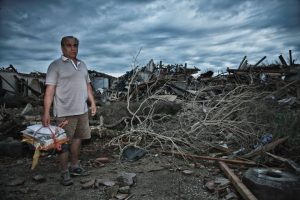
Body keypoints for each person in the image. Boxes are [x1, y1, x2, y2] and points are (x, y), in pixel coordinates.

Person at [42, 36, 97, 186]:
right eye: (69, 45)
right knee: (63, 144)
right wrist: (46, 112)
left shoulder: (82, 65)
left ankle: (75, 166)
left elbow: (87, 86)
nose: (73, 48)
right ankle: (64, 172)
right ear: (62, 47)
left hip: (82, 111)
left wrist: (92, 102)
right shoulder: (55, 66)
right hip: (65, 112)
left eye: (75, 45)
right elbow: (49, 91)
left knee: (78, 139)